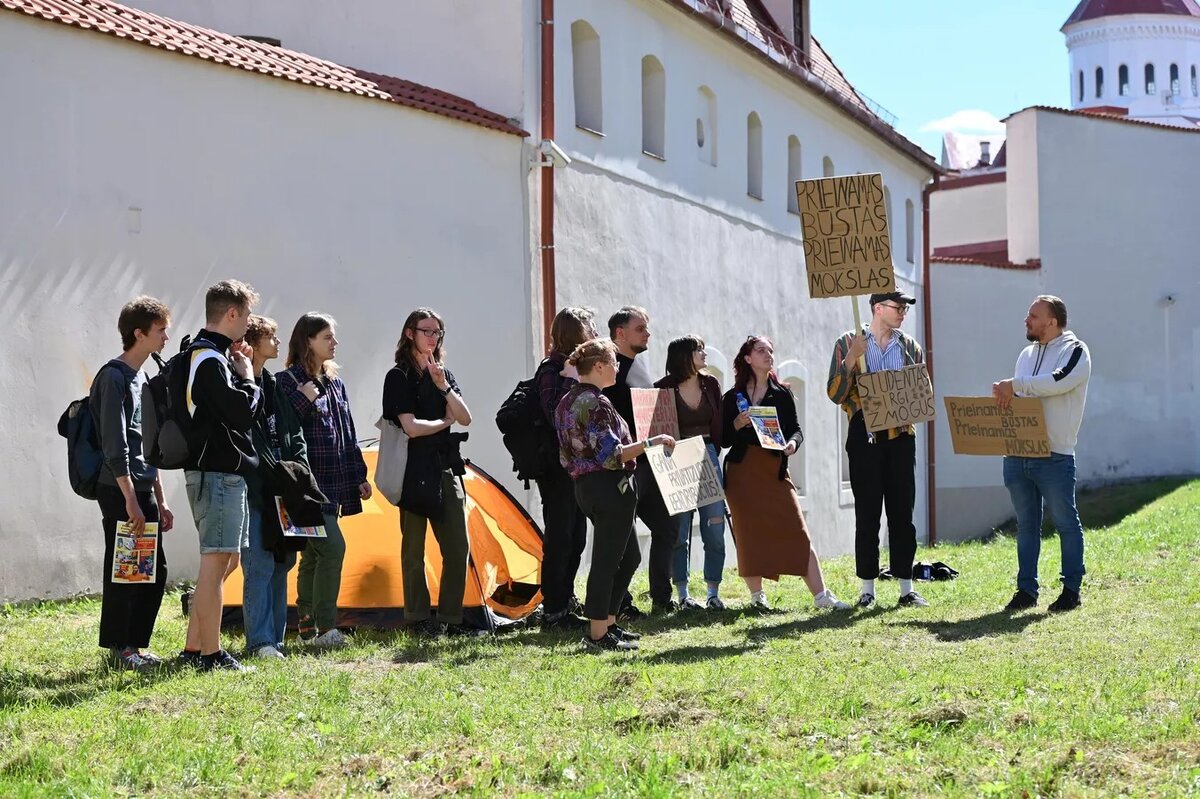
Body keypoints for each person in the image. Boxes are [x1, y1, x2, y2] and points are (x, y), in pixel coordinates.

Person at [555, 339, 676, 651]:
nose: (618, 367)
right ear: (598, 366)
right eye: (613, 362)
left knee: (629, 556)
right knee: (608, 561)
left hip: (587, 488)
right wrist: (653, 441)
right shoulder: (596, 403)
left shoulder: (567, 401)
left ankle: (608, 623)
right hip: (609, 487)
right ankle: (597, 635)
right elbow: (613, 455)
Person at [722, 336, 849, 611]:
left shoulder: (781, 393)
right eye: (761, 350)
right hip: (741, 472)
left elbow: (796, 429)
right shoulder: (733, 397)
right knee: (747, 533)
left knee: (798, 531)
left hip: (774, 470)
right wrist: (736, 422)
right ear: (747, 358)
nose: (768, 354)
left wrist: (793, 444)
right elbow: (722, 438)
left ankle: (821, 596)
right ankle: (758, 598)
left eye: (770, 350)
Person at [826, 291, 929, 609]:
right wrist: (849, 360)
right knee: (867, 513)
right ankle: (867, 589)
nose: (903, 313)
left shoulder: (909, 346)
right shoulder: (848, 341)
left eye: (905, 308)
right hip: (864, 436)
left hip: (901, 435)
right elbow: (835, 393)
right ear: (878, 309)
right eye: (899, 308)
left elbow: (920, 389)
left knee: (903, 513)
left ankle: (906, 588)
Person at [180, 280, 262, 673]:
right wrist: (248, 376)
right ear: (231, 314)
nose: (248, 323)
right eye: (245, 315)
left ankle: (195, 646)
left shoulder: (208, 355)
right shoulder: (209, 360)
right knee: (215, 565)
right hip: (214, 473)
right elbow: (242, 413)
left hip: (220, 473)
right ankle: (209, 655)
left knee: (226, 560)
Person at [90, 296, 175, 670]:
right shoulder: (113, 377)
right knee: (127, 568)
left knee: (153, 570)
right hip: (119, 489)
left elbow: (148, 445)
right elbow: (116, 443)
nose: (166, 336)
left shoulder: (143, 376)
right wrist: (130, 499)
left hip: (141, 488)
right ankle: (121, 648)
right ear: (138, 333)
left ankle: (136, 645)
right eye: (160, 330)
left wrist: (161, 498)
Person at [993, 295, 1091, 613]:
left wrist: (1016, 385)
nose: (1027, 320)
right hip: (1019, 453)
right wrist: (1007, 397)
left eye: (1033, 316)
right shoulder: (1025, 354)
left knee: (1065, 523)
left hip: (1056, 455)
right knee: (1026, 526)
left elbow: (1059, 382)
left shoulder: (1076, 351)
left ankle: (1071, 591)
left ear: (1052, 321)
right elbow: (1021, 396)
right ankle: (1026, 591)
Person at [278, 313, 370, 648]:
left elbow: (348, 433)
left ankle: (307, 630)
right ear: (308, 341)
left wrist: (358, 474)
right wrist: (304, 398)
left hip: (334, 482)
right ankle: (325, 628)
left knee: (315, 555)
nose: (334, 343)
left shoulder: (336, 384)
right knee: (332, 547)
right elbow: (283, 427)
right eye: (327, 337)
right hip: (304, 486)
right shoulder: (286, 382)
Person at [383, 308, 476, 637]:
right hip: (412, 469)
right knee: (414, 550)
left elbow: (464, 417)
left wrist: (443, 387)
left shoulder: (443, 374)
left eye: (438, 333)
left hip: (444, 467)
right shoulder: (399, 376)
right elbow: (410, 427)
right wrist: (443, 423)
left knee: (457, 547)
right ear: (410, 333)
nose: (433, 338)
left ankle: (451, 619)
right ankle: (418, 618)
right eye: (427, 331)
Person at [602, 306, 679, 614]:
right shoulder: (607, 368)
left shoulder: (640, 366)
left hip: (651, 463)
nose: (648, 334)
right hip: (623, 466)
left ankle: (661, 597)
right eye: (640, 329)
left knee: (667, 527)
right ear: (620, 333)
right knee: (623, 540)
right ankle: (619, 603)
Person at [240, 315, 308, 659]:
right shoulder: (241, 380)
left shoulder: (273, 384)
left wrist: (298, 467)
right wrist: (274, 470)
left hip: (284, 488)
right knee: (259, 564)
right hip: (255, 489)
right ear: (253, 342)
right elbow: (249, 436)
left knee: (283, 562)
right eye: (272, 337)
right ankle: (259, 641)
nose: (278, 343)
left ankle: (276, 640)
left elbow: (293, 431)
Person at [534, 307, 597, 630]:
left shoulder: (576, 369)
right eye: (590, 327)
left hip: (577, 465)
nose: (594, 332)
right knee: (560, 537)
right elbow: (555, 414)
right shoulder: (552, 369)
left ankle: (566, 597)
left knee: (578, 537)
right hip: (556, 468)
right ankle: (553, 609)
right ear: (575, 333)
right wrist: (573, 381)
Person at [653, 336, 727, 610]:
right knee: (680, 532)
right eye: (699, 350)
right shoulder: (663, 388)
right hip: (677, 457)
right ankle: (683, 594)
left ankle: (713, 592)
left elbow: (718, 422)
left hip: (707, 454)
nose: (704, 353)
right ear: (684, 355)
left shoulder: (710, 384)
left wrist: (713, 453)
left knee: (715, 527)